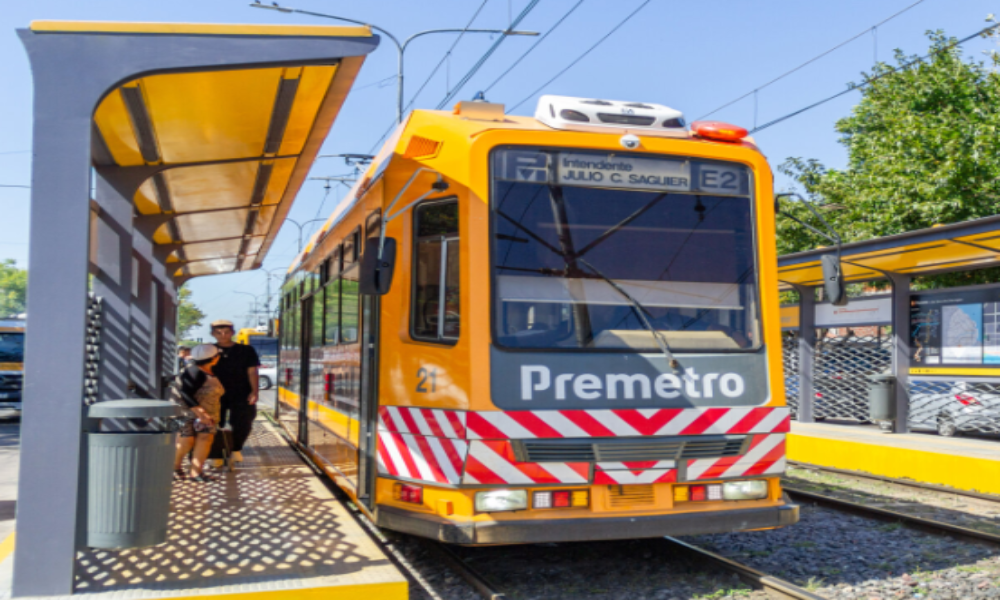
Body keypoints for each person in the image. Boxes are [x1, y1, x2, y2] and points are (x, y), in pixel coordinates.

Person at [171, 344, 224, 482]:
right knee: (186, 441)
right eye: (218, 355)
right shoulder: (194, 372)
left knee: (205, 439)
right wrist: (201, 413)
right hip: (187, 413)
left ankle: (196, 472)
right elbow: (185, 393)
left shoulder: (207, 370)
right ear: (213, 358)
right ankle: (174, 468)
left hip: (208, 413)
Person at [210, 320, 260, 463]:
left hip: (241, 392)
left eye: (226, 332)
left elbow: (252, 372)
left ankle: (236, 449)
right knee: (213, 423)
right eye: (218, 332)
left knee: (243, 422)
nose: (223, 335)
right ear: (213, 334)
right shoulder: (208, 350)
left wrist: (254, 392)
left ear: (232, 333)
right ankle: (216, 454)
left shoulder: (246, 350)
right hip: (213, 393)